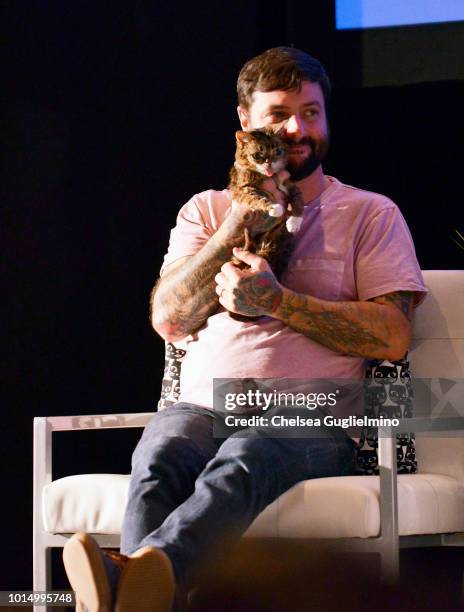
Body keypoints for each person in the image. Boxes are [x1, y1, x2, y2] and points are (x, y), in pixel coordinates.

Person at [63, 46, 427, 612]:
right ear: (245, 124)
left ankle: (130, 582)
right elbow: (169, 318)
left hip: (314, 417)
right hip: (204, 408)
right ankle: (141, 591)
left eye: (311, 112)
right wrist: (238, 219)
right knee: (161, 451)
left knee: (248, 452)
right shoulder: (203, 211)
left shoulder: (371, 215)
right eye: (280, 113)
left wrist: (280, 303)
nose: (297, 128)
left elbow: (392, 335)